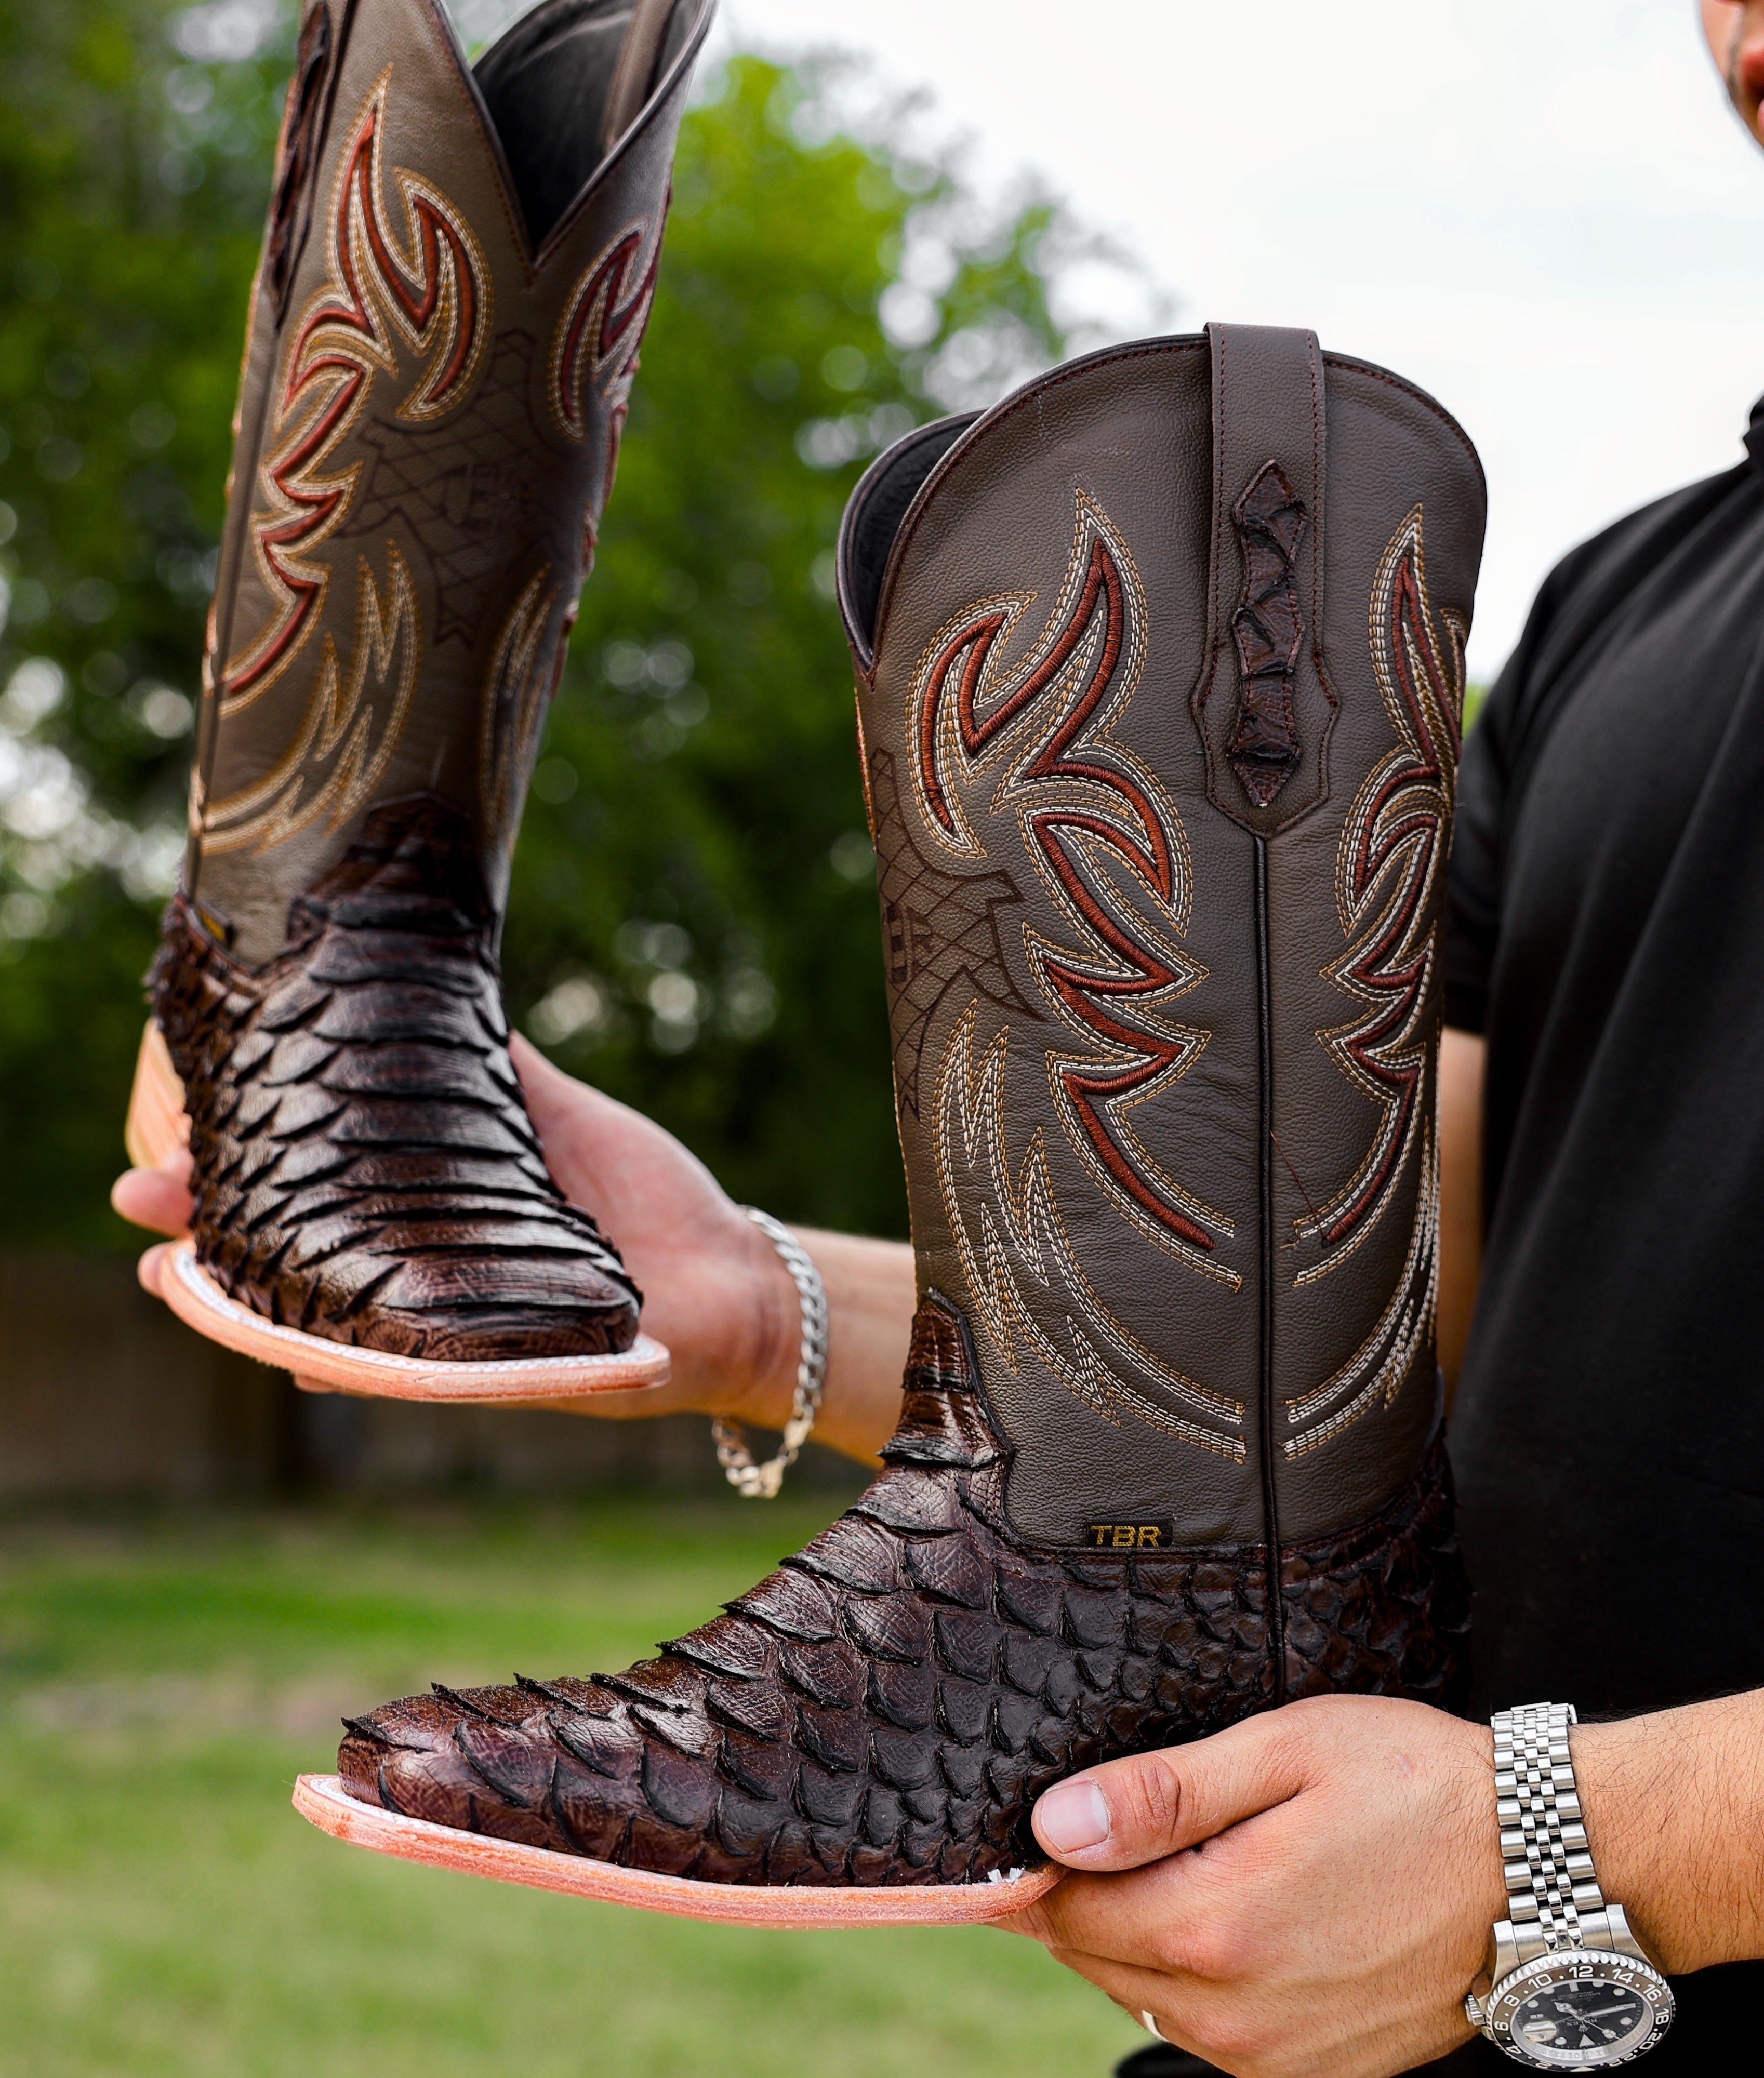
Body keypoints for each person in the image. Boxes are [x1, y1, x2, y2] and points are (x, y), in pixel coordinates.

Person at [116, 4, 1764, 2066]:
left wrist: (1565, 1841)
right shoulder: (1631, 606)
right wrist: (755, 1303)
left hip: (1489, 1942)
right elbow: (1358, 1344)